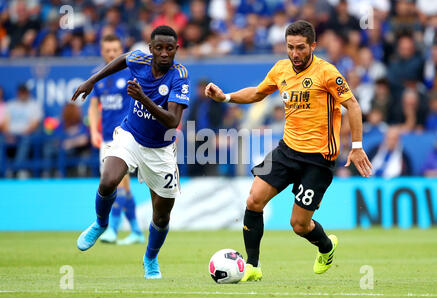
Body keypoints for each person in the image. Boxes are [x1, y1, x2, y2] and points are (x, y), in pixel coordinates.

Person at [205, 20, 372, 281]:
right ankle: (253, 266)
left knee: (299, 225)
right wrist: (225, 97)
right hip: (287, 151)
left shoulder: (327, 73)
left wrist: (357, 147)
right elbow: (258, 93)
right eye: (290, 47)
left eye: (301, 48)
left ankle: (326, 247)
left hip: (318, 159)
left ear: (313, 46)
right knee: (253, 200)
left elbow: (353, 106)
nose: (295, 54)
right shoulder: (281, 69)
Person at [72, 25, 190, 280]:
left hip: (160, 150)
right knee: (108, 180)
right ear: (151, 48)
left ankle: (150, 258)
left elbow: (171, 120)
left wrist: (143, 98)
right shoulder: (139, 59)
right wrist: (92, 81)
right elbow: (122, 59)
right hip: (131, 136)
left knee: (161, 215)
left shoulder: (179, 76)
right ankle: (101, 223)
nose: (164, 53)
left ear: (176, 49)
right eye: (159, 48)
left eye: (170, 48)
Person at [88, 34, 144, 245]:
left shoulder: (131, 73)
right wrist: (94, 130)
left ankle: (113, 227)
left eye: (115, 50)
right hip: (105, 138)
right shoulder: (98, 76)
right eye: (108, 50)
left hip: (124, 137)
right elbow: (94, 106)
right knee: (123, 187)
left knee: (119, 184)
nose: (111, 54)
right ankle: (137, 230)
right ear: (102, 51)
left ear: (121, 50)